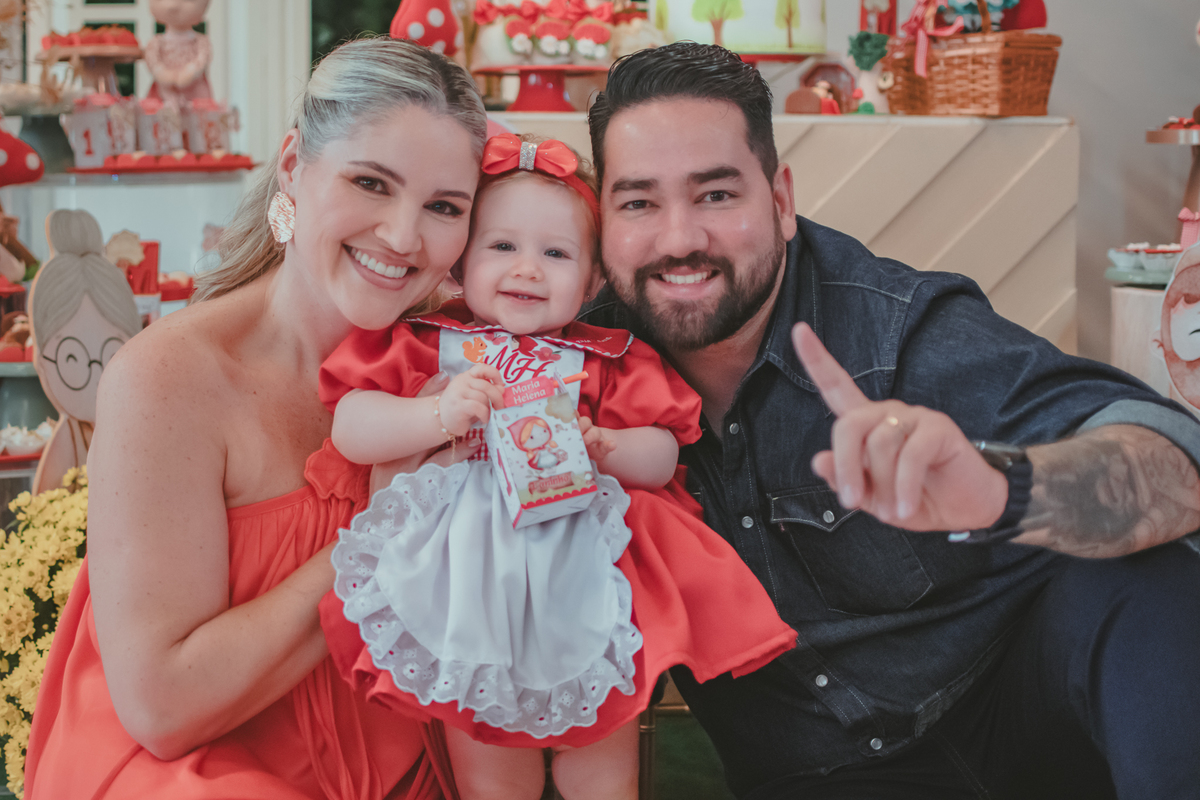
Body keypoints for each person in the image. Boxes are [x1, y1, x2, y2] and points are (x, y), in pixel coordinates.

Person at [583, 41, 1200, 799]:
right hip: (812, 773)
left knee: (1150, 568)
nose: (680, 239)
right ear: (601, 221)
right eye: (639, 202)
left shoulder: (896, 332)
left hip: (1028, 724)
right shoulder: (574, 368)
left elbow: (1179, 463)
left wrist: (1006, 495)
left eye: (716, 195)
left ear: (780, 202)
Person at [24, 38, 486, 800]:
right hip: (193, 771)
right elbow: (163, 708)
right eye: (371, 182)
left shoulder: (458, 367)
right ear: (293, 168)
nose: (404, 237)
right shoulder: (167, 377)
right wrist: (389, 523)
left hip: (409, 762)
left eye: (444, 207)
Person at [317, 133, 795, 800]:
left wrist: (608, 446)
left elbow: (662, 455)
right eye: (503, 247)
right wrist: (437, 416)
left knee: (598, 760)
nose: (528, 270)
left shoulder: (604, 357)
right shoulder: (431, 346)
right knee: (489, 767)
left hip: (579, 580)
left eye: (556, 253)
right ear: (459, 265)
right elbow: (351, 426)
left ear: (594, 278)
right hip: (464, 583)